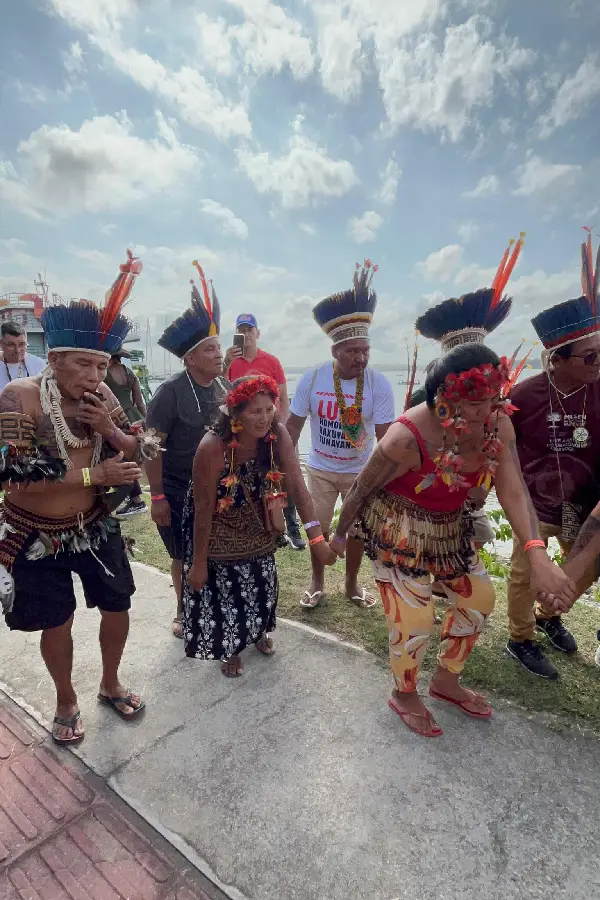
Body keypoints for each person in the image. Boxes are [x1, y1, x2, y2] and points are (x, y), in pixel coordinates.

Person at [329, 249, 575, 738]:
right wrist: (339, 534)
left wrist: (536, 552)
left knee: (479, 598)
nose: (489, 410)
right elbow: (361, 487)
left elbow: (512, 488)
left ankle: (445, 680)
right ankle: (403, 692)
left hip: (451, 529)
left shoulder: (497, 424)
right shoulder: (405, 438)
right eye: (475, 400)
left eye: (494, 398)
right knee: (415, 618)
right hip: (398, 527)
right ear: (444, 398)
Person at [0, 251, 158, 744]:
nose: (94, 376)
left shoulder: (103, 398)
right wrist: (96, 474)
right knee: (57, 619)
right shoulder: (19, 398)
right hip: (33, 530)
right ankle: (66, 698)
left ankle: (110, 684)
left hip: (92, 525)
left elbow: (143, 446)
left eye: (102, 365)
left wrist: (111, 428)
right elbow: (12, 479)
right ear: (54, 360)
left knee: (118, 604)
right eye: (84, 364)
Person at [183, 374, 336, 676]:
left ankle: (258, 632)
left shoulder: (277, 435)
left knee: (264, 583)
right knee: (226, 589)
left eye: (269, 409)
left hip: (259, 518)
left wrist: (317, 539)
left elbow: (298, 488)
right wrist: (199, 562)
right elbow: (202, 512)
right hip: (216, 523)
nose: (265, 418)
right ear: (236, 412)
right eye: (255, 411)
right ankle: (231, 647)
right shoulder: (211, 448)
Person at [506, 231, 600, 679]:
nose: (597, 364)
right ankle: (520, 639)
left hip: (584, 506)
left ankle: (550, 618)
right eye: (590, 357)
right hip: (536, 506)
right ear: (557, 360)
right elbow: (500, 451)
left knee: (585, 569)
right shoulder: (523, 396)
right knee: (525, 576)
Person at [286, 260, 395, 608]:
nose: (360, 358)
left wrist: (384, 479)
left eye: (365, 351)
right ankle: (317, 582)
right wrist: (281, 469)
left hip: (360, 472)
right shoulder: (312, 378)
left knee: (357, 532)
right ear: (335, 352)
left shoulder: (378, 384)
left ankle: (351, 584)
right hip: (319, 468)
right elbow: (292, 427)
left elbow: (387, 439)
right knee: (316, 526)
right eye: (352, 351)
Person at [145, 261, 229, 640]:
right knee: (182, 553)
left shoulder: (224, 389)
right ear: (190, 357)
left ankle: (213, 605)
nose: (219, 354)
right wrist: (158, 496)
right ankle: (182, 610)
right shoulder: (170, 392)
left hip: (216, 488)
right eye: (210, 349)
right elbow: (151, 447)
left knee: (211, 550)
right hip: (177, 488)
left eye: (219, 347)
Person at [224, 313, 306, 551]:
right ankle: (264, 526)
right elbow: (222, 393)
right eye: (242, 330)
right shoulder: (232, 363)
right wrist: (226, 364)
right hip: (243, 430)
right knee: (252, 477)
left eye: (250, 330)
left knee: (283, 475)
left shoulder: (271, 361)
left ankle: (291, 527)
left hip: (272, 426)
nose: (246, 334)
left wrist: (288, 432)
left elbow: (283, 397)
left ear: (258, 334)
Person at [104, 348, 148, 517]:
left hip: (116, 419)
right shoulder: (129, 373)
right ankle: (133, 497)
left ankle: (135, 499)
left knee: (119, 456)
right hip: (134, 416)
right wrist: (146, 421)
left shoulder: (104, 374)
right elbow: (139, 402)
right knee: (131, 456)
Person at [0, 322, 46, 390]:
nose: (17, 350)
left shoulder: (39, 365)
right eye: (11, 345)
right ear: (1, 344)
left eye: (22, 344)